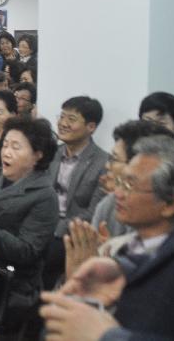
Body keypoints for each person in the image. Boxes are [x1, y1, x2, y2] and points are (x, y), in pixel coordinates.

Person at [39, 135, 174, 341]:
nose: (118, 193)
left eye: (130, 185)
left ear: (169, 204)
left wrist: (107, 336)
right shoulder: (121, 251)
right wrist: (77, 289)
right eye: (120, 181)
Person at [0, 116, 59, 337]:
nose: (6, 152)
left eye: (16, 147)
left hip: (10, 286)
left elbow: (27, 251)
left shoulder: (45, 196)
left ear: (37, 155)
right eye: (5, 145)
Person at [43, 96, 109, 290]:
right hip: (42, 224)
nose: (63, 123)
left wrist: (56, 228)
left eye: (71, 119)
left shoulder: (103, 163)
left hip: (70, 234)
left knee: (46, 255)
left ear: (91, 127)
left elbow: (94, 212)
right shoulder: (52, 153)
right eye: (62, 117)